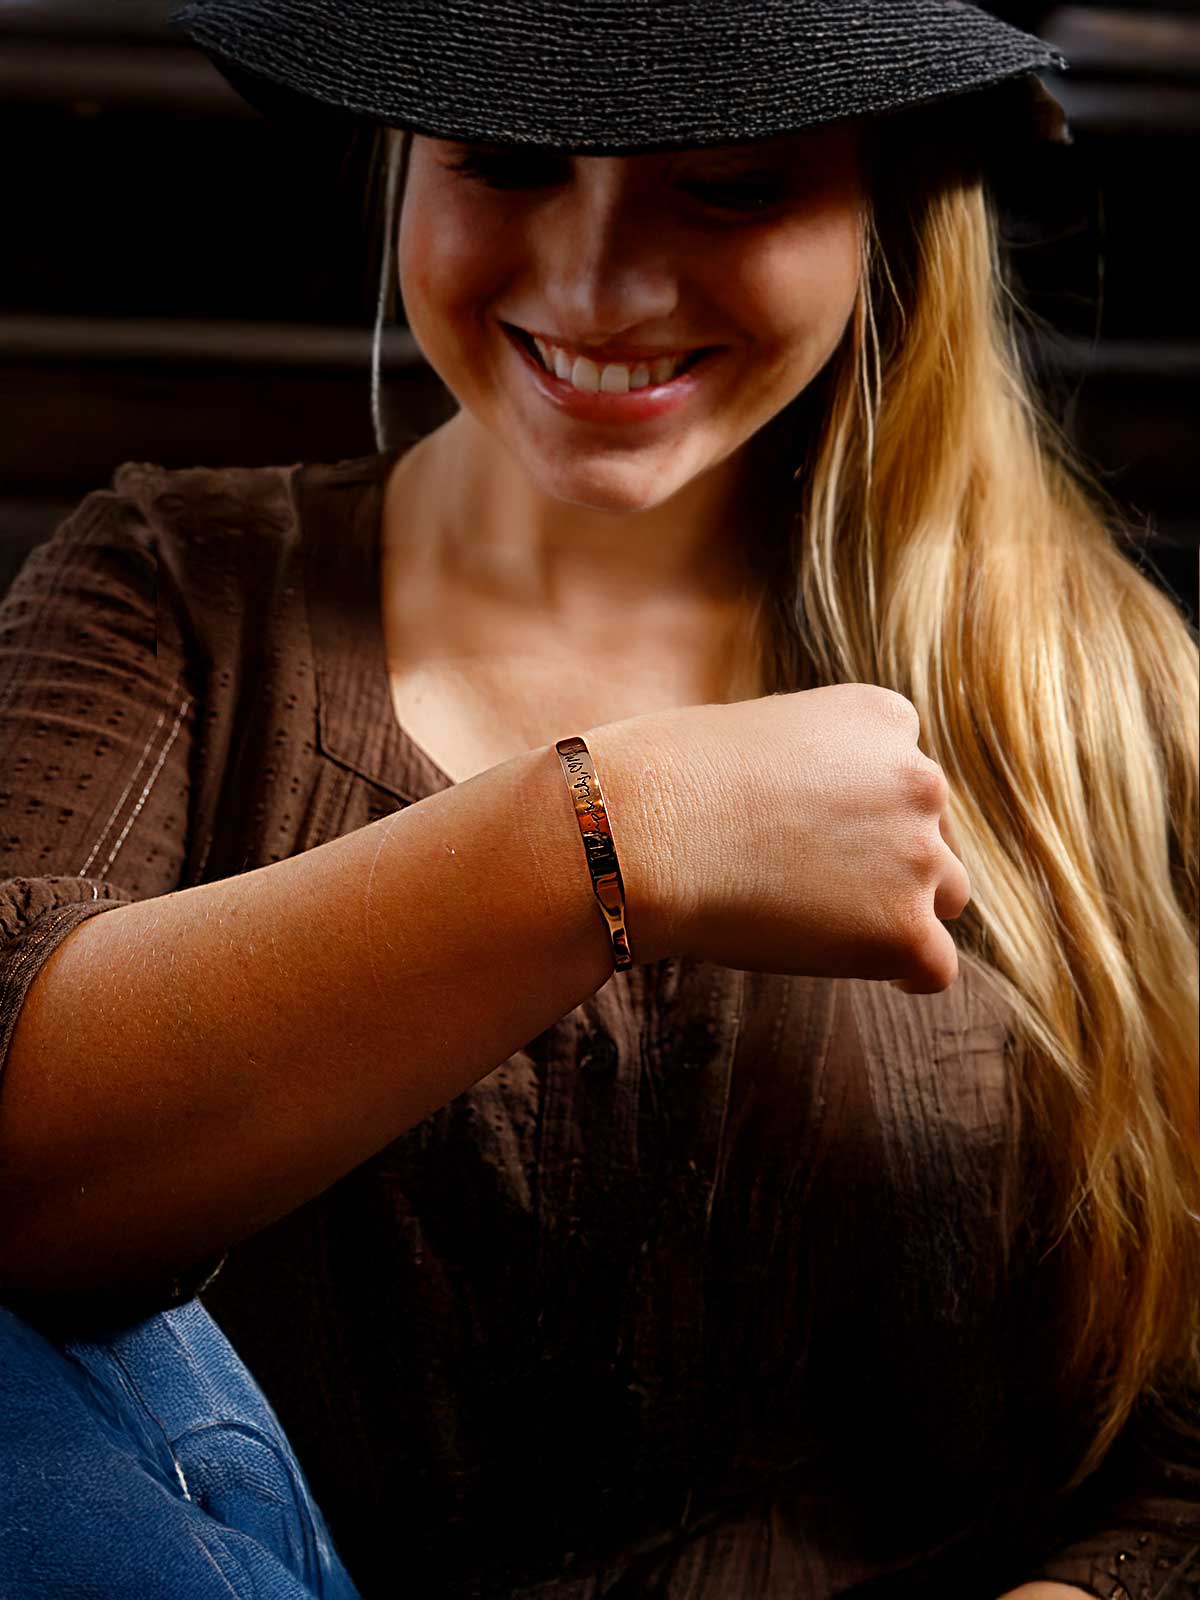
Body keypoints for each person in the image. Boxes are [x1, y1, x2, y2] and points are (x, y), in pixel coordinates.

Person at [0, 1, 1196, 1596]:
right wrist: (615, 829)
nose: (595, 286)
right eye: (502, 163)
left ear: (884, 200)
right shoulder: (180, 595)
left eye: (730, 187)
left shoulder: (1108, 701)